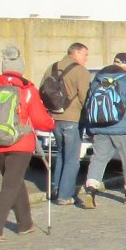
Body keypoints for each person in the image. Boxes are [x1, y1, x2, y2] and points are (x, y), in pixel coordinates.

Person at [0, 46, 54, 241]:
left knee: (14, 181)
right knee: (10, 184)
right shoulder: (27, 90)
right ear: (21, 69)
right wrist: (51, 124)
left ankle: (25, 223)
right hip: (21, 144)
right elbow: (40, 119)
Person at [83, 52, 126, 208]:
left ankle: (91, 189)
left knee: (98, 158)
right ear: (125, 65)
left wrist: (91, 126)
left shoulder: (98, 80)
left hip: (100, 126)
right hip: (124, 128)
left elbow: (89, 103)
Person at [39, 42, 91, 206]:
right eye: (85, 54)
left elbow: (42, 90)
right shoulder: (80, 71)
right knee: (72, 159)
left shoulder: (52, 67)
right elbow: (84, 97)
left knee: (61, 155)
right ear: (75, 53)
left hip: (54, 117)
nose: (86, 58)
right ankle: (65, 195)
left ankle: (56, 189)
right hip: (72, 118)